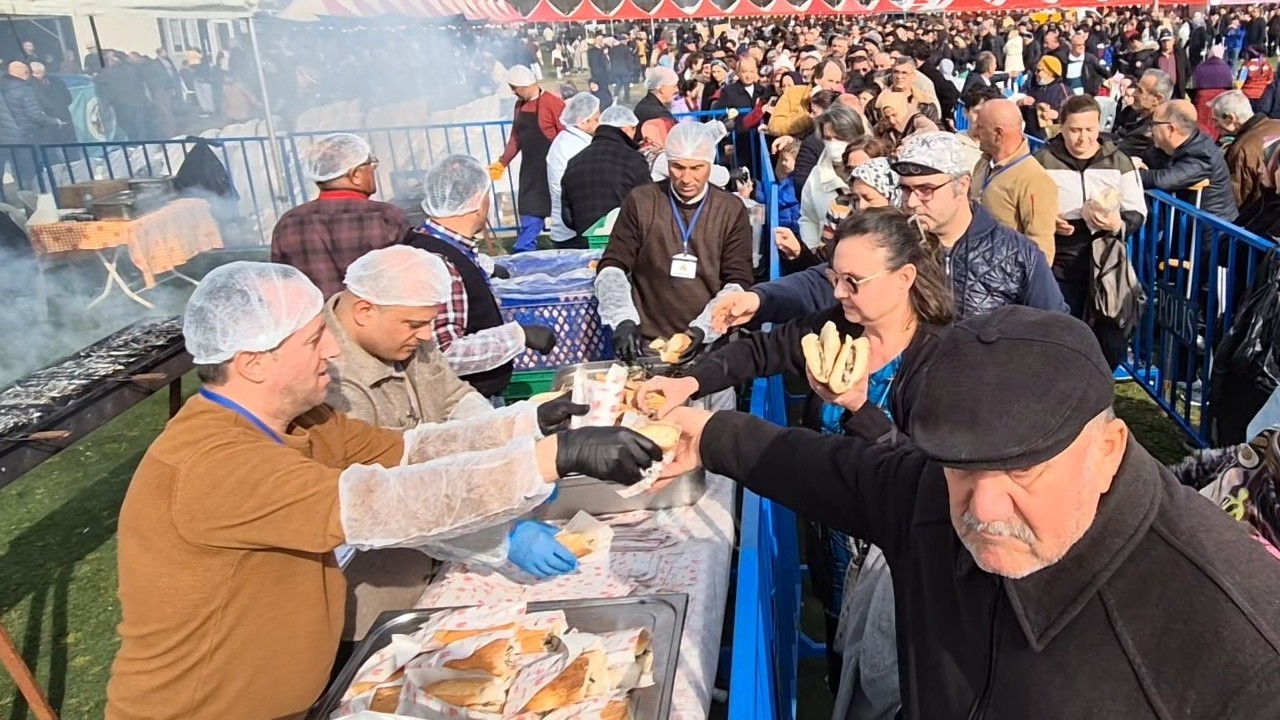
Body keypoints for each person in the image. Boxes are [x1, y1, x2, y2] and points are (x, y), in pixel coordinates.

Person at [653, 305, 1280, 720]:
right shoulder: (926, 492)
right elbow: (823, 469)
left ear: (1109, 448)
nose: (982, 507)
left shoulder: (1244, 645)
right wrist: (706, 434)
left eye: (1023, 470)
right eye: (961, 468)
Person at [105, 261, 662, 720]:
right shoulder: (215, 464)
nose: (330, 350)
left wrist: (528, 423)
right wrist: (548, 459)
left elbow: (410, 450)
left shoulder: (306, 421)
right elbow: (384, 503)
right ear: (253, 363)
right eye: (313, 339)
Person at [640, 208, 954, 713]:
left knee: (892, 676)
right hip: (836, 531)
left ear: (905, 278)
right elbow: (762, 353)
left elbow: (924, 475)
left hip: (901, 559)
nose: (839, 294)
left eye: (854, 282)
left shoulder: (940, 356)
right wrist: (688, 382)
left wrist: (857, 406)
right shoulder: (839, 326)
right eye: (835, 279)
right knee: (839, 640)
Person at [325, 246, 589, 643]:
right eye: (414, 324)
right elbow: (387, 502)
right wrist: (501, 538)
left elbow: (451, 398)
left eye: (429, 322)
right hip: (381, 573)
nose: (428, 336)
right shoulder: (332, 383)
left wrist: (517, 445)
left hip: (447, 541)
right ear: (364, 311)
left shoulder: (406, 336)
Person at [595, 122, 753, 362]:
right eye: (678, 167)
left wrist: (703, 329)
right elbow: (613, 264)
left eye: (696, 168)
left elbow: (738, 280)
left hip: (709, 343)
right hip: (649, 341)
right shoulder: (642, 201)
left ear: (710, 165)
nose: (686, 178)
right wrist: (623, 319)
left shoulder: (730, 209)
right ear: (667, 164)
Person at [402, 154, 555, 400]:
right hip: (464, 398)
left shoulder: (431, 243)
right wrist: (517, 336)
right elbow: (444, 352)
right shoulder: (440, 263)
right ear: (477, 199)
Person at [1034, 94, 1147, 370]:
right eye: (1074, 130)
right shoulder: (1042, 160)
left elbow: (1137, 210)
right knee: (1062, 329)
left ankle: (1101, 386)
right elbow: (1031, 206)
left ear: (1100, 126)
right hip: (1060, 257)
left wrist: (1118, 224)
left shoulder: (1118, 161)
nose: (1082, 138)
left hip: (1106, 258)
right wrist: (1050, 221)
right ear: (1061, 127)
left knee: (1111, 335)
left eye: (1089, 130)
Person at [270, 133, 409, 298]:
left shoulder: (289, 222)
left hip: (318, 320)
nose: (373, 170)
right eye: (371, 164)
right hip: (376, 318)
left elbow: (282, 281)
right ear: (355, 175)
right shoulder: (385, 216)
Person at [970, 98, 1060, 262]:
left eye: (981, 127)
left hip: (1003, 278)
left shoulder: (1034, 179)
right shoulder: (983, 165)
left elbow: (1041, 249)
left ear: (998, 133)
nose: (975, 132)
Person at [488, 65, 565, 254]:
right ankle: (524, 249)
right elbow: (516, 136)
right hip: (530, 167)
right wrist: (502, 161)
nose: (513, 92)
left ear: (526, 85)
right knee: (530, 207)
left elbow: (565, 135)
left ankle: (569, 244)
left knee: (563, 207)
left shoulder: (553, 104)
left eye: (515, 87)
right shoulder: (519, 105)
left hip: (553, 166)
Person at [560, 105, 651, 245]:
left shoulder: (575, 162)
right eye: (634, 129)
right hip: (625, 245)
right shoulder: (632, 159)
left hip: (586, 244)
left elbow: (568, 218)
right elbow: (648, 204)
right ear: (626, 129)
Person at [1137, 99, 1238, 223]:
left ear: (1171, 129)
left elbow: (1163, 180)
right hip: (1181, 228)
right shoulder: (1168, 146)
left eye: (1154, 124)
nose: (1150, 130)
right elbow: (1145, 158)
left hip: (1208, 233)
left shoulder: (1202, 153)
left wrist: (1129, 173)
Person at [1211, 89, 1280, 227]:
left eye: (1216, 120)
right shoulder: (1277, 124)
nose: (1215, 126)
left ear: (1231, 119)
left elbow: (1237, 198)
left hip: (1258, 221)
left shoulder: (1242, 149)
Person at [800, 104, 863, 251]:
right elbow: (808, 218)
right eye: (828, 138)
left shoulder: (876, 175)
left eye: (840, 138)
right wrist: (812, 250)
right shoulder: (816, 175)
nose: (833, 144)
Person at [546, 93, 601, 249]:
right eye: (596, 119)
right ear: (581, 121)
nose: (600, 123)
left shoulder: (571, 140)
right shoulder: (573, 146)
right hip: (572, 228)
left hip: (574, 222)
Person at [768, 57, 846, 137]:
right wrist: (809, 116)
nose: (833, 87)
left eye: (837, 82)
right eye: (830, 81)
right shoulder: (794, 93)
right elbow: (774, 125)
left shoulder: (840, 101)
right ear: (817, 79)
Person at [1111, 68, 1172, 160]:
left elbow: (1116, 153)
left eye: (1140, 91)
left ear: (1157, 99)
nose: (1134, 94)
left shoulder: (1150, 131)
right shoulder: (1133, 113)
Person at [27, 62, 74, 146]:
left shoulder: (30, 85)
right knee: (69, 147)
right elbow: (68, 99)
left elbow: (68, 99)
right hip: (63, 117)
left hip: (48, 122)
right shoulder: (57, 80)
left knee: (52, 150)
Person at [634, 66, 680, 150]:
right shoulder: (659, 114)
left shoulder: (644, 105)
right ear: (661, 89)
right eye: (674, 86)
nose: (677, 90)